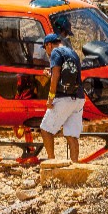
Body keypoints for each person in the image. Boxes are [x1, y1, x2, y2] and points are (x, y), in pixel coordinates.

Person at [40, 32, 83, 160]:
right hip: (79, 98)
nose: (47, 52)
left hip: (64, 98)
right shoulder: (72, 52)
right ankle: (75, 165)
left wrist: (50, 98)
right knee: (71, 135)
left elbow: (56, 75)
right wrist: (52, 75)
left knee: (46, 129)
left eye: (45, 48)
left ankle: (52, 162)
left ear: (49, 45)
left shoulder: (55, 52)